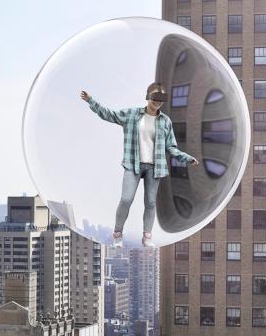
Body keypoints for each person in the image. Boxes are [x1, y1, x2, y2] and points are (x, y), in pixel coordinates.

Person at [82, 83, 198, 247]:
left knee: (150, 203)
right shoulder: (132, 114)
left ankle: (147, 237)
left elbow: (171, 146)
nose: (158, 101)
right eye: (155, 97)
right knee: (126, 199)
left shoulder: (165, 121)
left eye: (161, 98)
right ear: (148, 96)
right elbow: (109, 115)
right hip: (133, 164)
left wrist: (186, 158)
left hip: (154, 168)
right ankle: (117, 234)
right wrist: (90, 101)